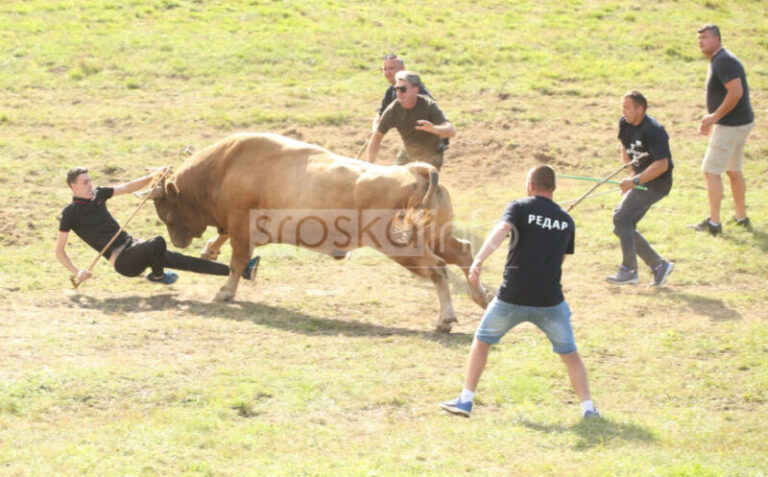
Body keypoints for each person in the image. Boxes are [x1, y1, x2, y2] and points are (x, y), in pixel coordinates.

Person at [441, 165, 599, 419]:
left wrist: (478, 260)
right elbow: (560, 259)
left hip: (511, 298)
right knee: (570, 354)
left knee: (482, 342)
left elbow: (501, 230)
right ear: (554, 188)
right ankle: (588, 409)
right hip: (550, 301)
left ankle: (465, 401)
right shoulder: (566, 221)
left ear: (531, 186)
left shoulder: (519, 207)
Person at [56, 167, 259, 286]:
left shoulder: (99, 194)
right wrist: (77, 271)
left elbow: (127, 187)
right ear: (74, 187)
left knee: (187, 261)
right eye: (85, 183)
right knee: (158, 242)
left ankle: (244, 271)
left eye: (90, 181)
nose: (90, 185)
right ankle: (158, 275)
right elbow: (59, 251)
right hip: (125, 262)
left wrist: (155, 176)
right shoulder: (70, 214)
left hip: (136, 247)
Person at [606, 91, 675, 287]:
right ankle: (659, 265)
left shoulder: (654, 130)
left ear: (640, 109)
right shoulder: (624, 123)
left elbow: (662, 164)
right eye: (623, 107)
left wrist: (635, 181)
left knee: (621, 219)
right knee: (622, 227)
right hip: (640, 180)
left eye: (628, 108)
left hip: (657, 183)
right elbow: (625, 148)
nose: (624, 111)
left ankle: (629, 270)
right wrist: (631, 173)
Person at [693, 24, 755, 236]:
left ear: (717, 39)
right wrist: (713, 119)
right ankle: (741, 217)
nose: (701, 41)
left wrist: (714, 117)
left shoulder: (723, 61)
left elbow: (735, 92)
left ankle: (714, 224)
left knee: (711, 172)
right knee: (733, 170)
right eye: (699, 38)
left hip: (730, 126)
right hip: (739, 123)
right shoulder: (720, 59)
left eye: (705, 37)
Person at [367, 70, 455, 170]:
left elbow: (451, 131)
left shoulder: (428, 105)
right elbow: (376, 137)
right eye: (396, 89)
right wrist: (369, 166)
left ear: (415, 90)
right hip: (408, 151)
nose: (399, 93)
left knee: (422, 179)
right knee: (395, 177)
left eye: (403, 89)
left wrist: (434, 129)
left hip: (431, 153)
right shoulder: (393, 110)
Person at [371, 54, 432, 133]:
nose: (387, 73)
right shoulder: (391, 90)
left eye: (391, 68)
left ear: (402, 69)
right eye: (385, 69)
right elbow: (381, 114)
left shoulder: (414, 88)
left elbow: (430, 111)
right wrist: (375, 129)